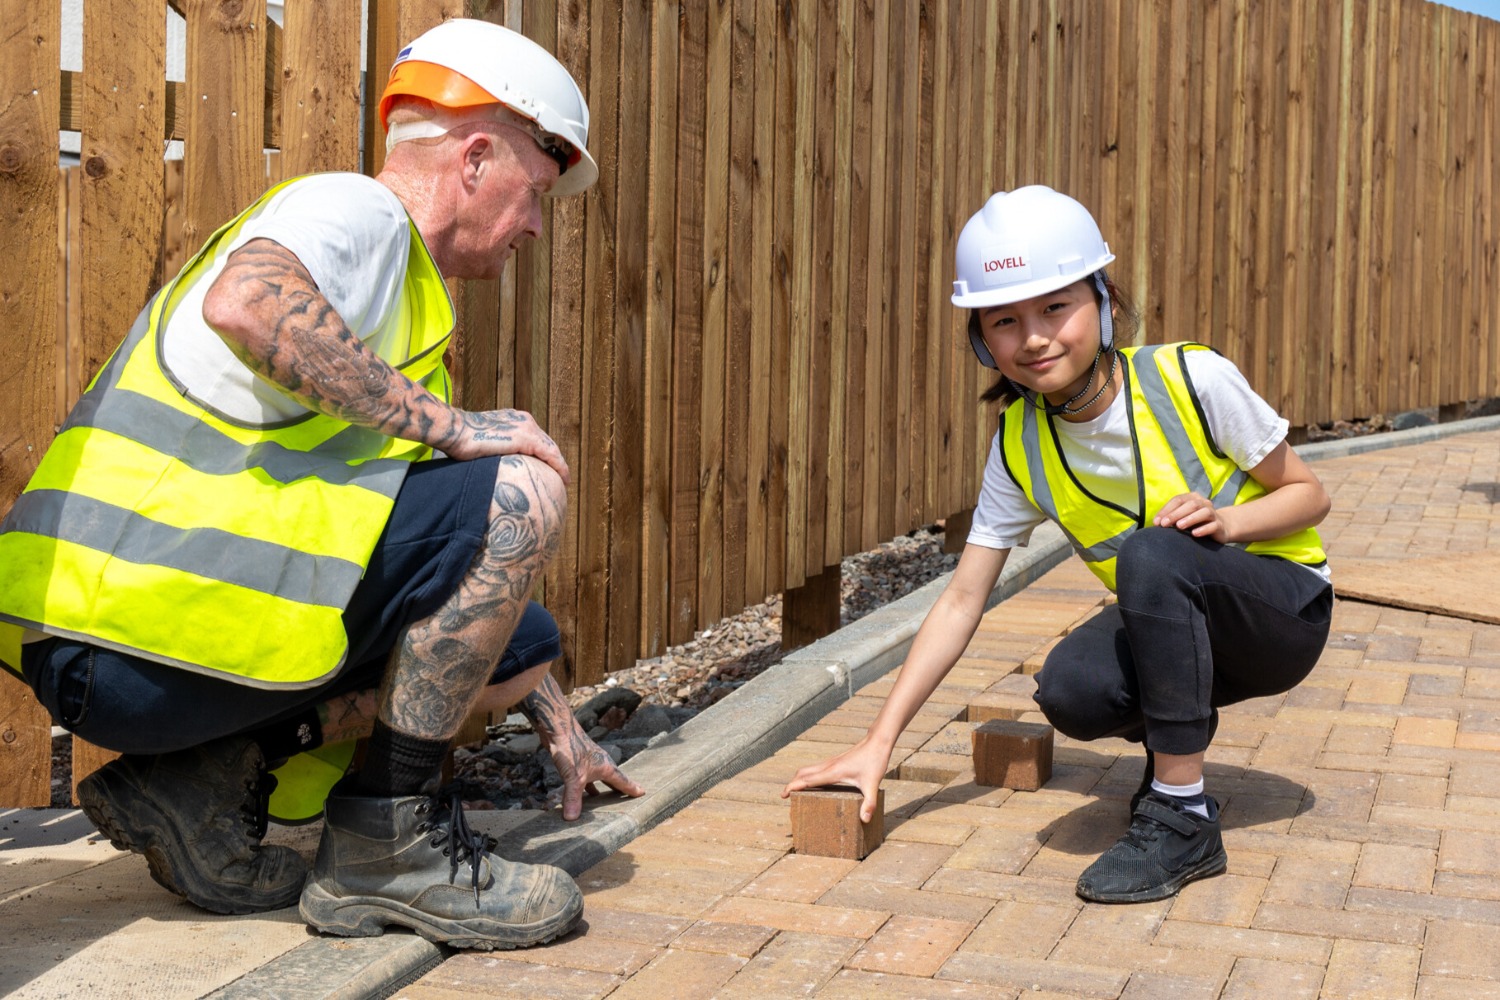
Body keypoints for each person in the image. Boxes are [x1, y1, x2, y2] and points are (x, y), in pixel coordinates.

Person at [0, 19, 643, 949]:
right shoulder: (357, 211)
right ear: (473, 159)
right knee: (521, 487)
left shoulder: (396, 309)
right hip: (124, 636)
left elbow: (462, 579)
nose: (537, 227)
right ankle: (391, 846)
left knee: (523, 642)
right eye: (537, 193)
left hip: (132, 642)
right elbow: (246, 302)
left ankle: (192, 785)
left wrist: (555, 719)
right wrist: (457, 427)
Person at [784, 185, 1333, 904]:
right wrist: (876, 744)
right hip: (1184, 625)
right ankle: (1176, 751)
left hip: (1283, 612)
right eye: (1005, 320)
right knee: (1072, 689)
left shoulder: (1188, 377)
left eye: (1054, 307)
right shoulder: (1019, 445)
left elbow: (1310, 495)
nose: (1034, 337)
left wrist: (1227, 523)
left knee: (1151, 552)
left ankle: (1182, 815)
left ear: (1102, 302)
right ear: (982, 339)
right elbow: (961, 601)